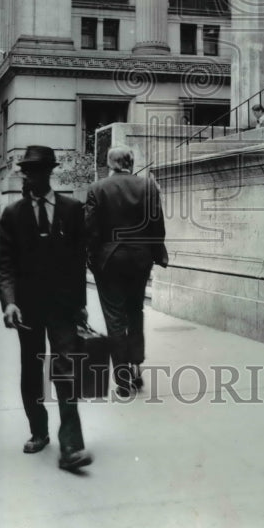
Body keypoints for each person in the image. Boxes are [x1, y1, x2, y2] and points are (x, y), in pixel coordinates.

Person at [0, 145, 92, 472]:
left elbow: (79, 263)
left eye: (38, 170)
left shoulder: (72, 210)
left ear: (50, 172)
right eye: (27, 171)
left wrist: (81, 307)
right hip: (28, 309)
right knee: (32, 371)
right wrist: (9, 303)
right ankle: (39, 431)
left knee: (65, 370)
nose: (31, 176)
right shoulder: (12, 214)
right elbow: (5, 265)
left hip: (63, 308)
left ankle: (71, 446)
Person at [85, 146, 168, 398]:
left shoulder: (97, 189)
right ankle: (136, 365)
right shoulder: (148, 186)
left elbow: (90, 231)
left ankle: (122, 378)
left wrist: (92, 258)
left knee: (115, 319)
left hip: (109, 261)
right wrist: (154, 253)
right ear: (131, 162)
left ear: (110, 164)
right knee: (136, 312)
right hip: (140, 259)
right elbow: (158, 225)